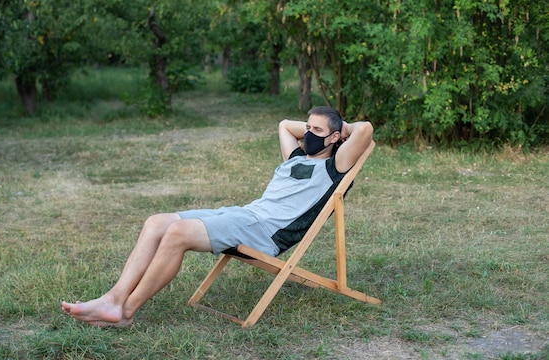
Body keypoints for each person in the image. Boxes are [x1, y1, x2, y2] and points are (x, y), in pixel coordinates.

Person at [61, 106, 373, 327]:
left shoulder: (335, 166)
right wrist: (316, 127)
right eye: (307, 128)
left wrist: (338, 130)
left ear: (334, 138)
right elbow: (283, 124)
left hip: (265, 232)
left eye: (317, 131)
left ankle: (125, 311)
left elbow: (365, 130)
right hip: (245, 214)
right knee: (157, 222)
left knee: (178, 233)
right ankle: (113, 298)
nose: (308, 134)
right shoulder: (296, 156)